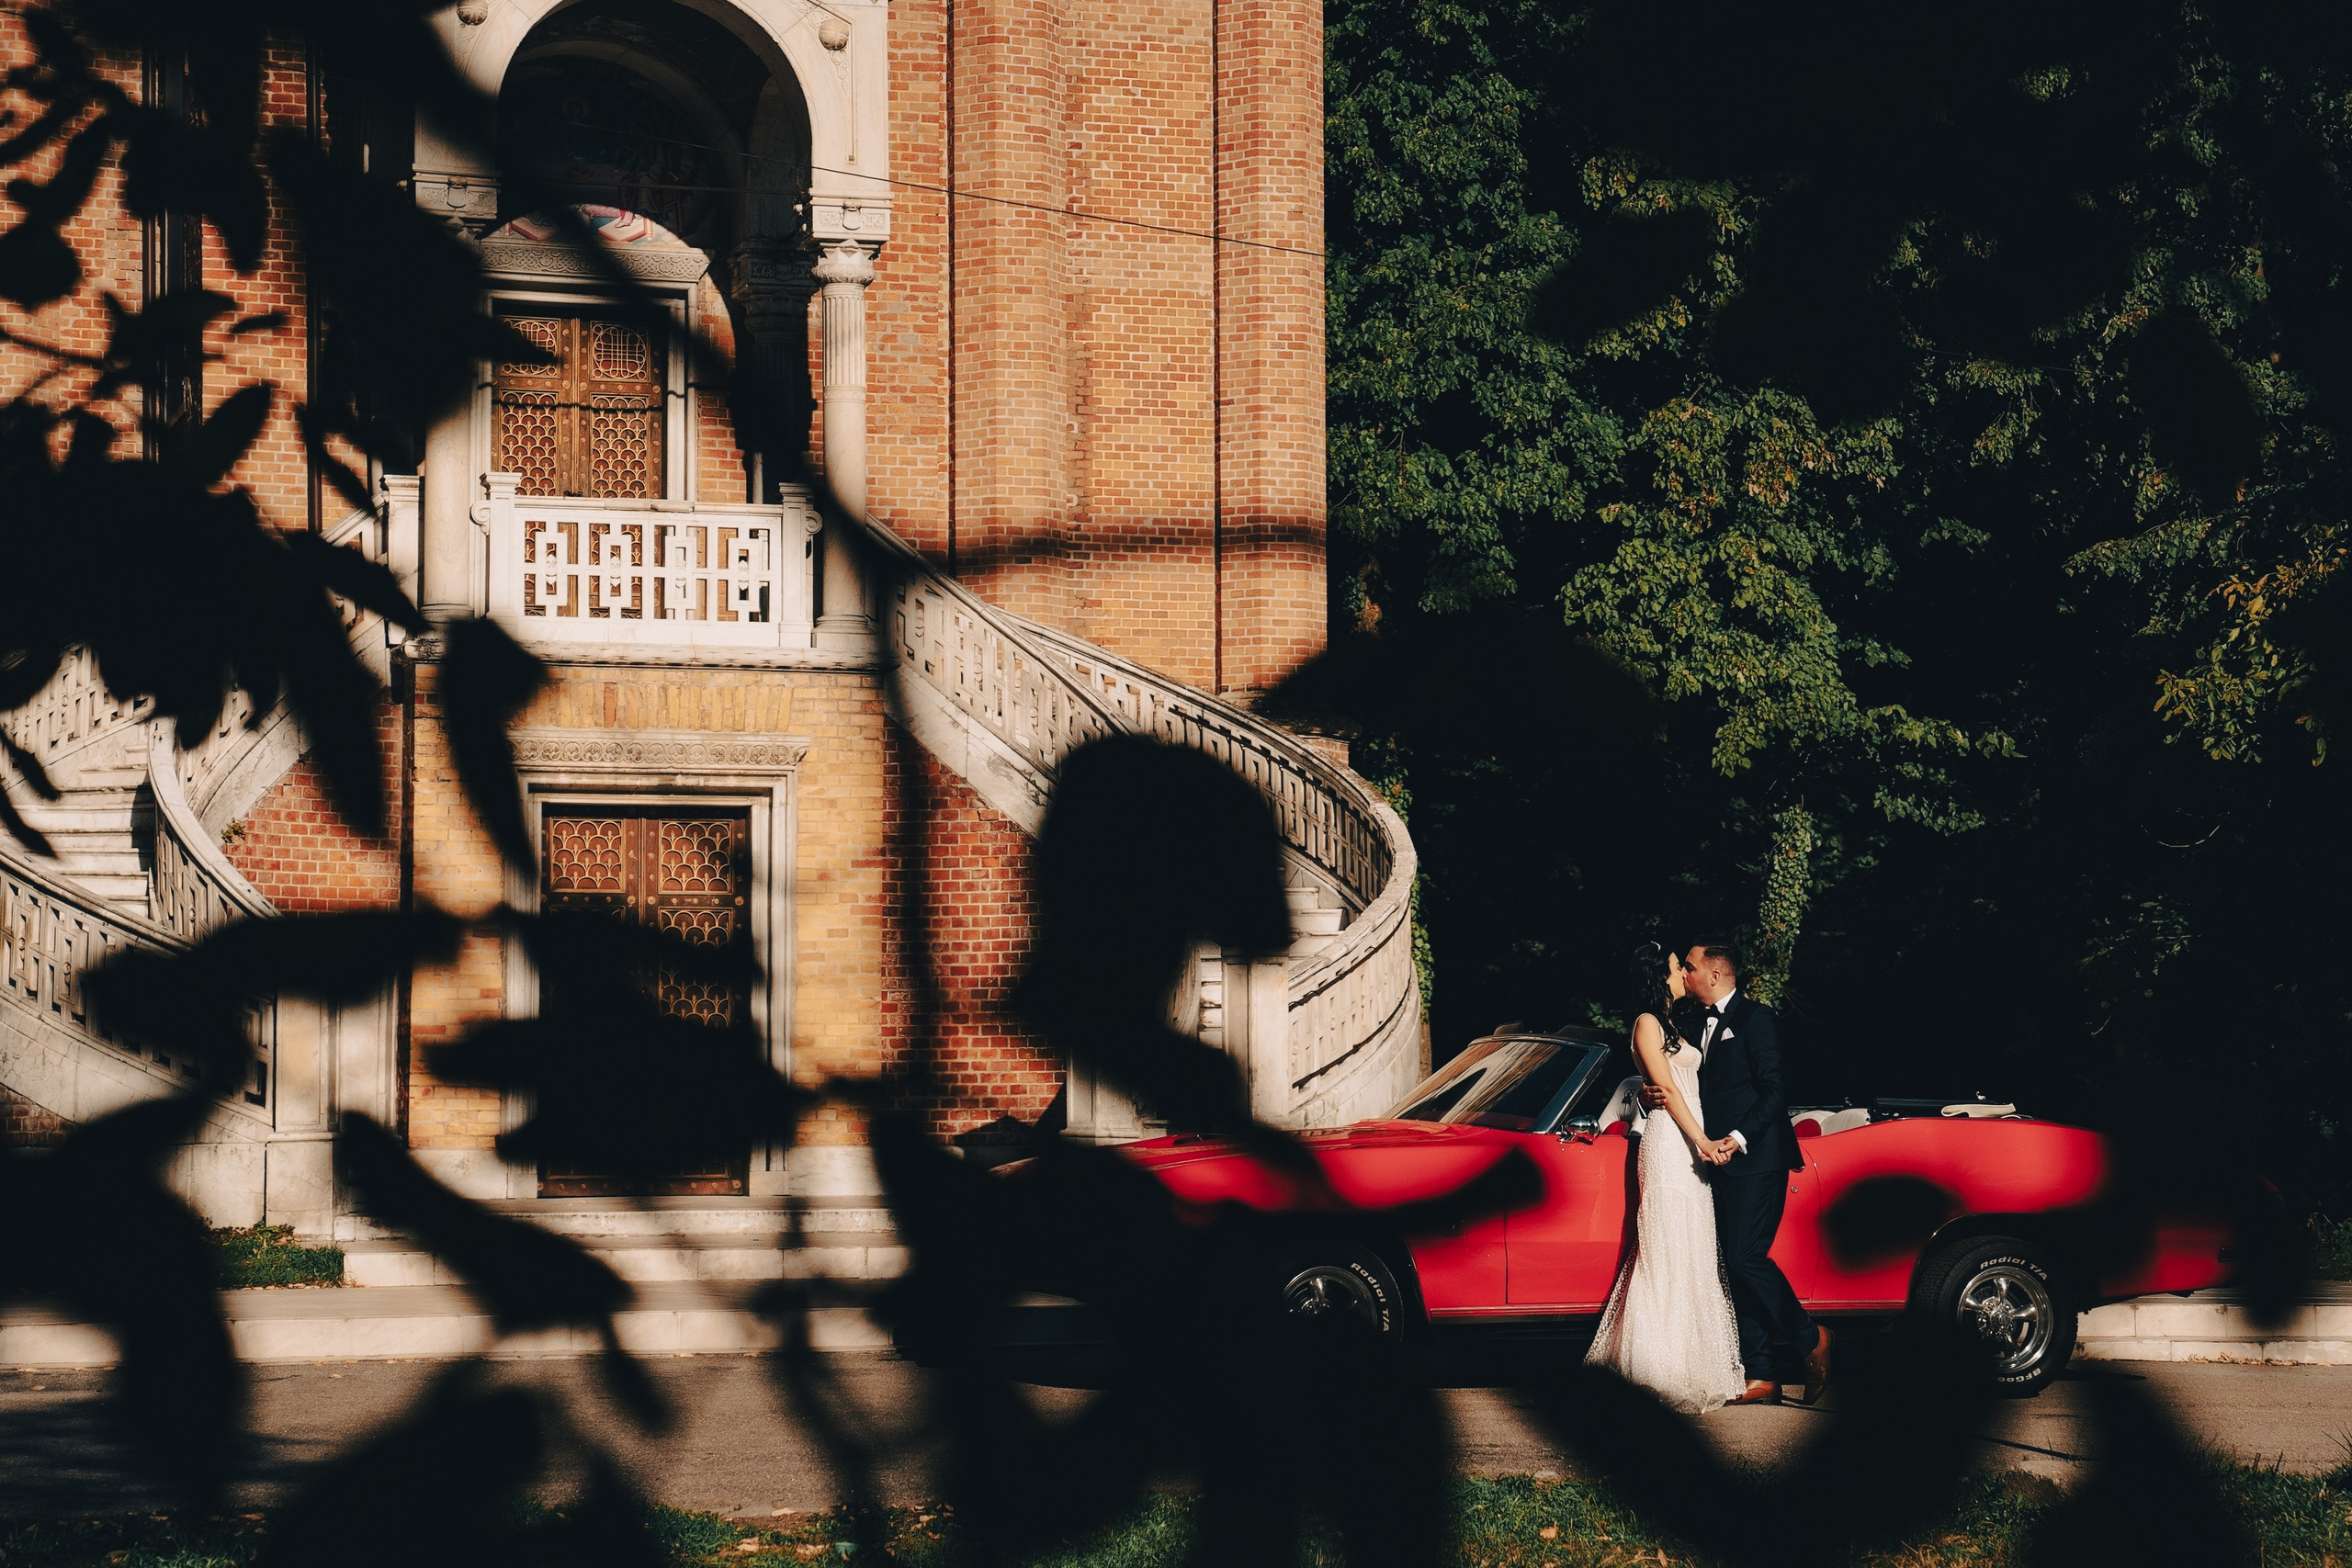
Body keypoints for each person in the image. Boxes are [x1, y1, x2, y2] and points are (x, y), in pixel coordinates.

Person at [1643, 936, 1831, 1405]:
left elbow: (1775, 1090)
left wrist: (1739, 1138)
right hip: (1712, 1163)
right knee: (1732, 1264)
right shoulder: (1687, 1021)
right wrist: (1649, 1093)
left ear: (1715, 973)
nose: (1684, 974)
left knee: (1746, 1256)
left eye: (1689, 967)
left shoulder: (1756, 1019)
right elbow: (1678, 1080)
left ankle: (1811, 1338)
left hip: (1756, 1157)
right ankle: (1762, 1374)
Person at [1584, 942, 1747, 1414]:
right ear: (1662, 975)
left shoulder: (1672, 1021)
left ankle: (1695, 1362)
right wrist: (1701, 1140)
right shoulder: (1647, 1024)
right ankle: (1657, 1367)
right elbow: (1669, 1089)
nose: (1685, 972)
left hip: (1689, 1142)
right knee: (1668, 1248)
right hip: (1672, 1143)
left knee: (1693, 1247)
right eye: (1678, 967)